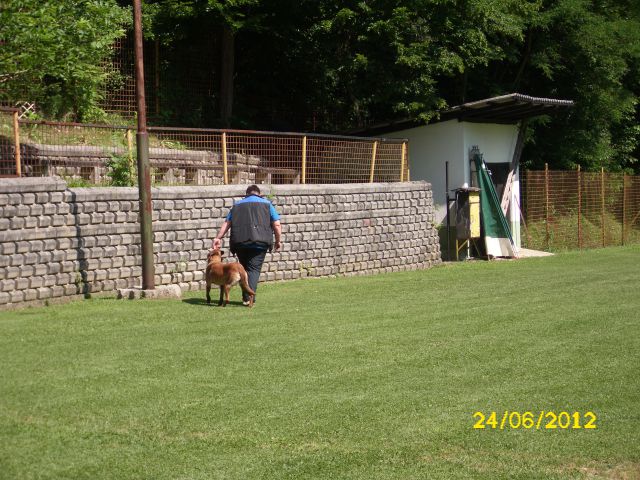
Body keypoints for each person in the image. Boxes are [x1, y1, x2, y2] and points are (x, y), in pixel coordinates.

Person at [212, 185, 282, 305]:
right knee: (254, 270)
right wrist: (278, 241)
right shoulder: (267, 204)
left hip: (240, 243)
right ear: (259, 194)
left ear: (247, 194)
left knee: (244, 269)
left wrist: (218, 238)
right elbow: (277, 224)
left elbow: (227, 223)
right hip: (260, 243)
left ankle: (246, 296)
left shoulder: (237, 205)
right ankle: (249, 298)